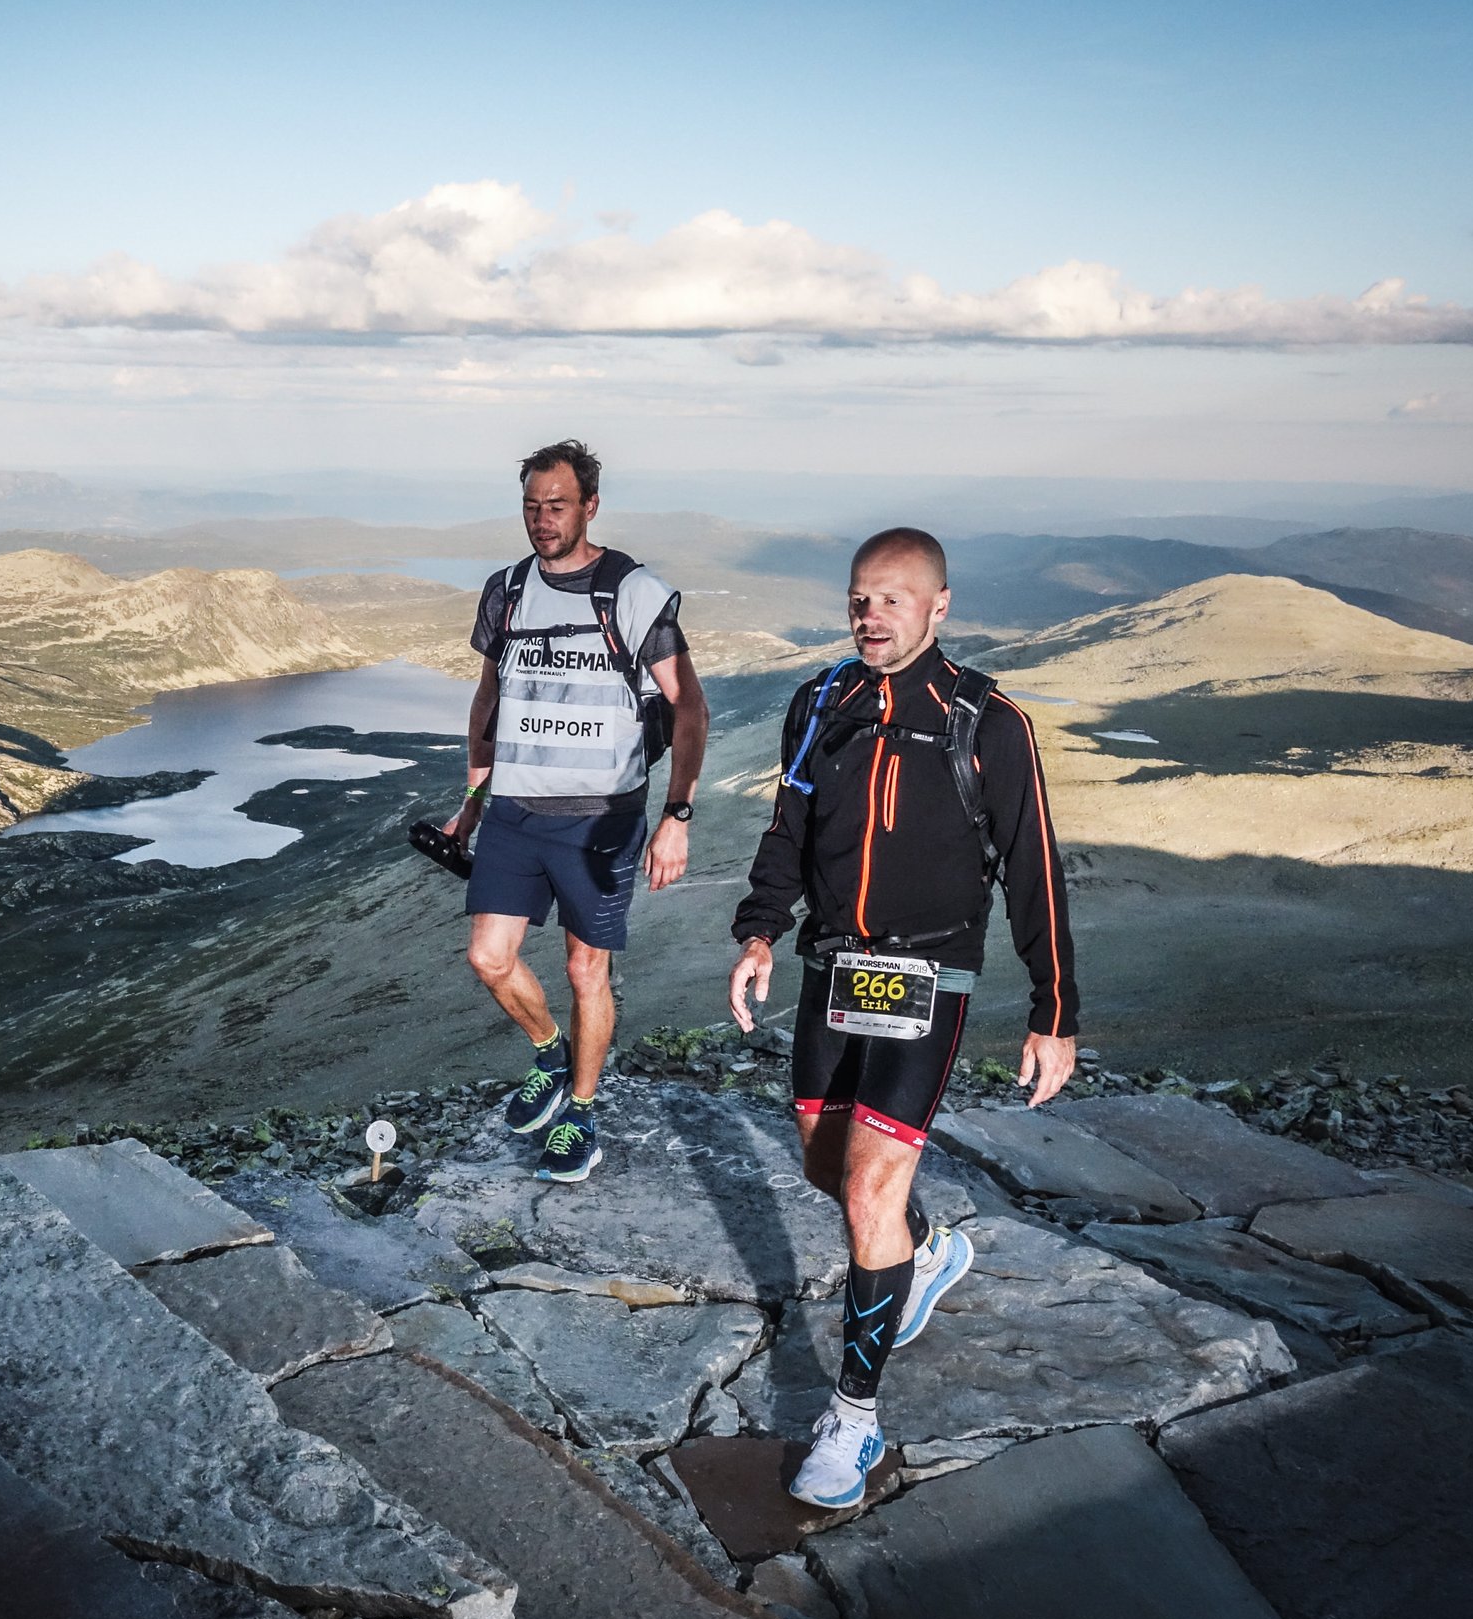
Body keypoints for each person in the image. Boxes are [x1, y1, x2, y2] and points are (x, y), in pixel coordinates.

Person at [727, 525, 1079, 1507]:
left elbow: (1035, 870)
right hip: (834, 967)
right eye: (859, 597)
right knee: (825, 1166)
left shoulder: (988, 723)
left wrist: (1053, 1009)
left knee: (869, 1190)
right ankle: (922, 1250)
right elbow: (789, 828)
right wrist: (759, 932)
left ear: (938, 605)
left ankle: (853, 1416)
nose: (870, 614)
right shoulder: (819, 703)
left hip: (930, 976)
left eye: (892, 597)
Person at [443, 440, 709, 1183]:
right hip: (515, 809)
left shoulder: (634, 592)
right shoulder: (506, 591)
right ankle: (549, 1054)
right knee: (488, 957)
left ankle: (582, 1115)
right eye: (531, 506)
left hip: (600, 818)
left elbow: (690, 708)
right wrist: (473, 798)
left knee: (586, 968)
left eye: (557, 505)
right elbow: (490, 698)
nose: (542, 519)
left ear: (591, 506)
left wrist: (677, 815)